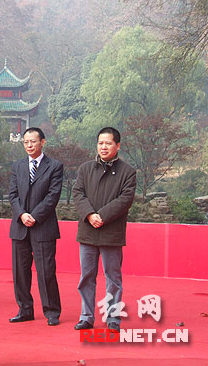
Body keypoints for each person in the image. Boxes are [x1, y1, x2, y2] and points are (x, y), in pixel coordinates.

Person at [72, 127, 136, 332]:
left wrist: (103, 216)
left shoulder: (128, 172)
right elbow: (78, 194)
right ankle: (86, 316)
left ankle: (113, 318)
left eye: (108, 143)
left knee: (113, 278)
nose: (104, 147)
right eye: (100, 143)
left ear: (118, 146)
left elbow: (125, 199)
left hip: (111, 232)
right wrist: (90, 215)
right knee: (86, 277)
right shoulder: (85, 169)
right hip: (88, 231)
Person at [8, 127, 63, 326]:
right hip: (20, 227)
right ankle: (25, 309)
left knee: (46, 271)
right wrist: (22, 214)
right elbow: (12, 195)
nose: (29, 145)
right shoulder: (18, 166)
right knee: (20, 272)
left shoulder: (55, 166)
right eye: (26, 142)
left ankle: (52, 311)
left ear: (43, 142)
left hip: (43, 226)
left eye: (33, 141)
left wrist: (35, 216)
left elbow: (52, 196)